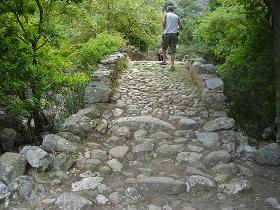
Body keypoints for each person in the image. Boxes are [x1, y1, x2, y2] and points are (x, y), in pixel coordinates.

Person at [161, 6, 182, 71]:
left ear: (167, 10)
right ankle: (172, 65)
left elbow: (163, 24)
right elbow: (181, 26)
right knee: (173, 50)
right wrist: (176, 28)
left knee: (164, 48)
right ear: (173, 10)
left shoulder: (166, 15)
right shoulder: (176, 16)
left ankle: (164, 61)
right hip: (174, 35)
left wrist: (165, 29)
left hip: (167, 33)